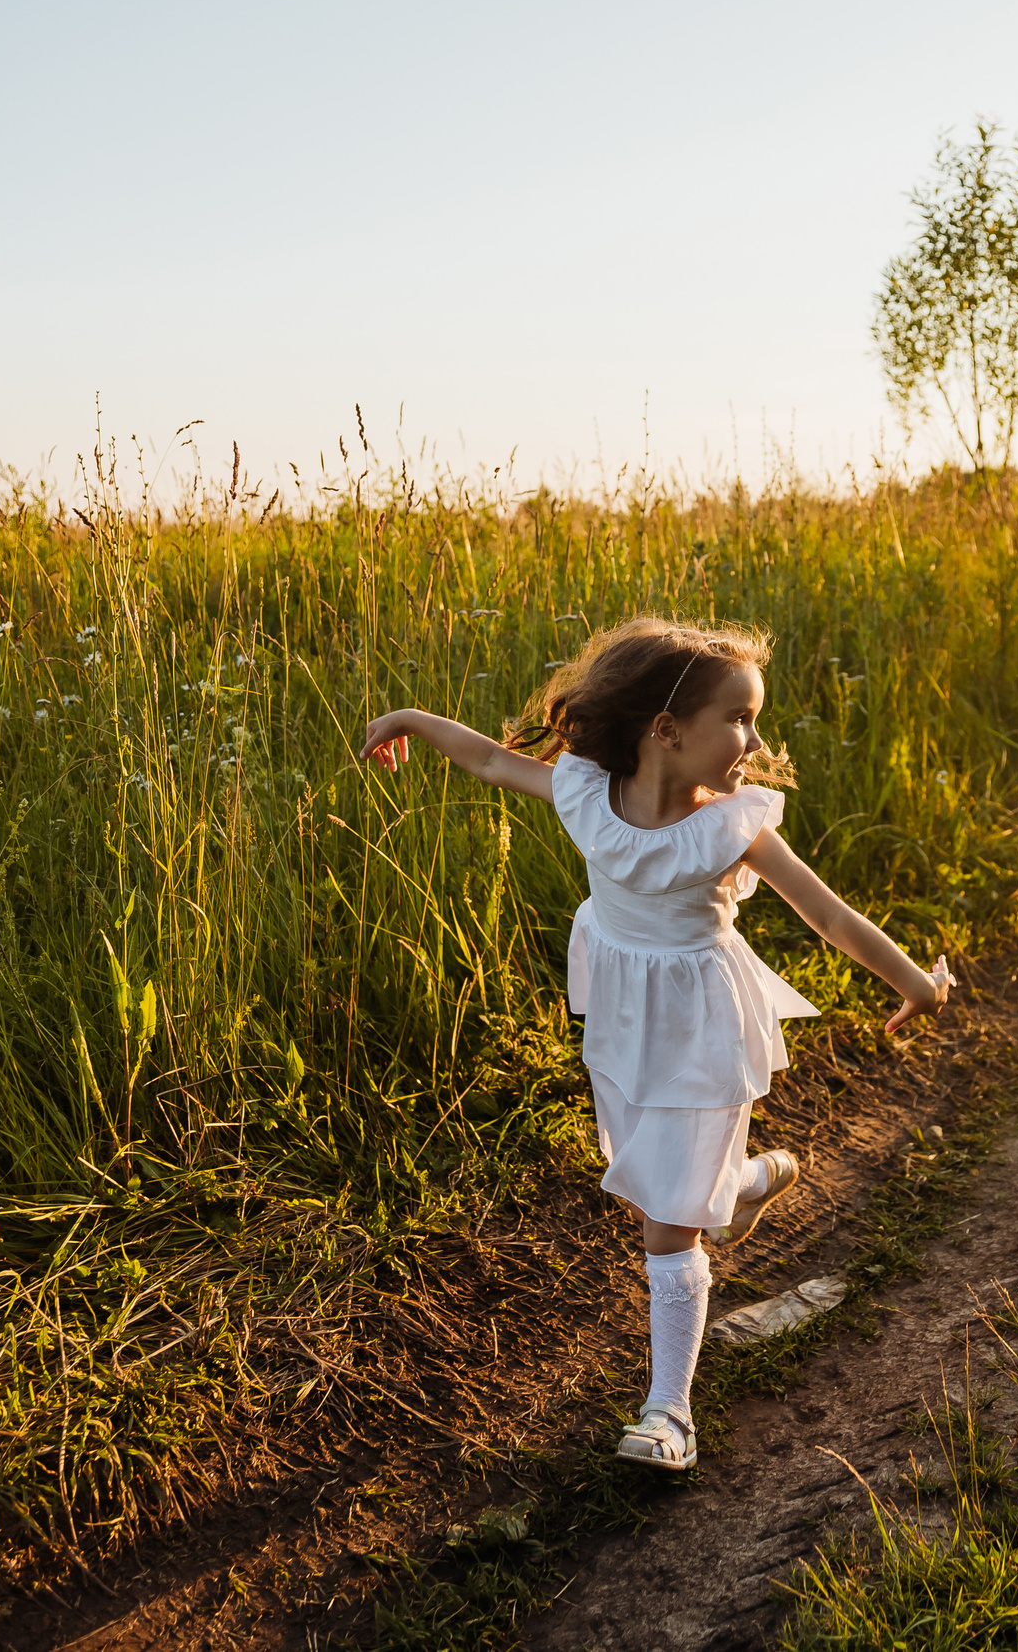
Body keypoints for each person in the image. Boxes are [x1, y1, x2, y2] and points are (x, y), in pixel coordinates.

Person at [358, 617, 949, 1472]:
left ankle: (669, 1412)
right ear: (667, 729)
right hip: (624, 1018)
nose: (756, 742)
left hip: (705, 1025)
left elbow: (830, 916)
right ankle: (746, 1182)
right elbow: (488, 759)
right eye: (740, 719)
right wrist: (410, 719)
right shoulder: (586, 792)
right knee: (655, 1187)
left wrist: (916, 983)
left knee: (669, 1229)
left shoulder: (733, 826)